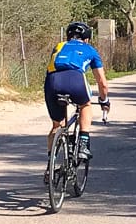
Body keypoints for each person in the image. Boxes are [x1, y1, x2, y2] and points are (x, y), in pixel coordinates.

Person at [45, 22, 110, 162]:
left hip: (52, 81)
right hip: (75, 79)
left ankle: (51, 165)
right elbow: (102, 83)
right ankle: (83, 144)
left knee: (57, 125)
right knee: (85, 105)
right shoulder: (90, 50)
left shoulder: (59, 46)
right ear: (86, 38)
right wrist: (104, 101)